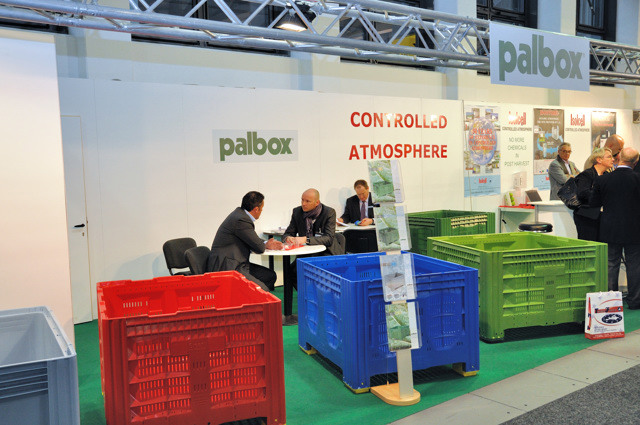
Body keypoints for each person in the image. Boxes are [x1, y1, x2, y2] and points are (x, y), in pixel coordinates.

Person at [590, 147, 640, 309]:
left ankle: (611, 302)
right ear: (635, 162)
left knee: (611, 265)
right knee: (635, 265)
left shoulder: (603, 179)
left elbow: (594, 203)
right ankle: (635, 301)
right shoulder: (637, 179)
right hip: (635, 229)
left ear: (619, 158)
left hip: (610, 228)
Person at [208, 191, 283, 291]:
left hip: (236, 262)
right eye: (262, 208)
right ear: (256, 209)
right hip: (228, 266)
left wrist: (265, 243)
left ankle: (246, 299)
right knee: (262, 290)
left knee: (270, 276)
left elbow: (251, 238)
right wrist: (265, 245)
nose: (261, 211)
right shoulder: (241, 220)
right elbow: (259, 248)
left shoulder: (239, 215)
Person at [282, 188, 342, 255]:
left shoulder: (328, 212)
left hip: (326, 252)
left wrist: (306, 239)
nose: (303, 204)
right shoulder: (297, 212)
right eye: (302, 200)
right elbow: (287, 234)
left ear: (317, 203)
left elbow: (328, 239)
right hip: (305, 252)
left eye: (307, 201)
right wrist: (288, 238)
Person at [573, 148, 613, 241]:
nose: (613, 159)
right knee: (589, 245)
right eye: (609, 157)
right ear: (599, 160)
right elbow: (583, 193)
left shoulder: (607, 175)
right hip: (587, 217)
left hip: (603, 217)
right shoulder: (587, 174)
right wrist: (602, 196)